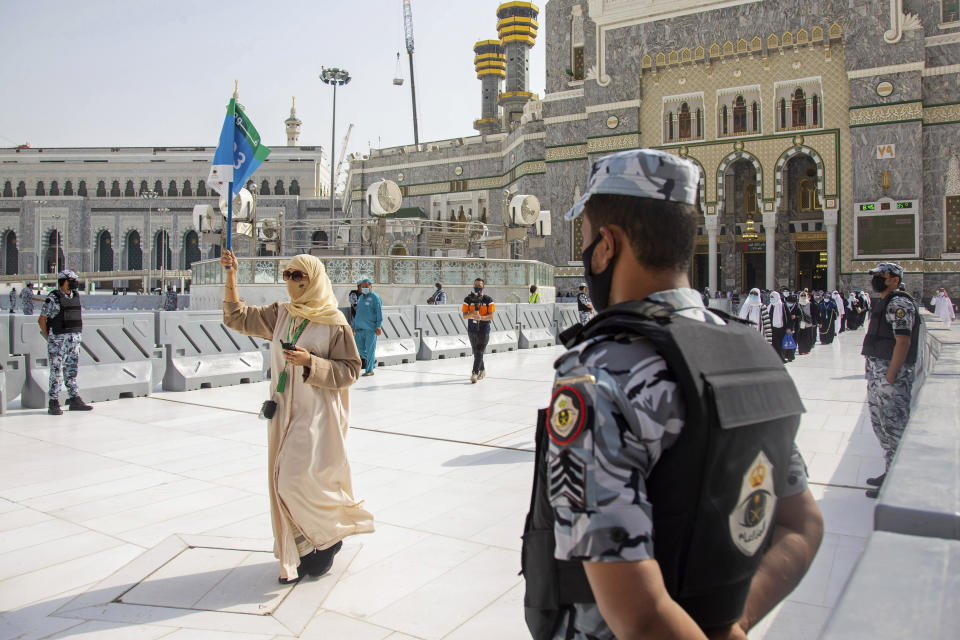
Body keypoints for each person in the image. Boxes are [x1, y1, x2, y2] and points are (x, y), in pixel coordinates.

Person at [522, 148, 822, 640]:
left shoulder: (600, 372)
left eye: (585, 240)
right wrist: (732, 622)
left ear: (606, 246)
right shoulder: (749, 351)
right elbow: (801, 524)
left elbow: (638, 615)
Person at [221, 249, 374, 583]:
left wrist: (310, 363)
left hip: (317, 414)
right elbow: (237, 318)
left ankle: (328, 537)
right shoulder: (281, 314)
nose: (291, 283)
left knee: (293, 480)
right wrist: (232, 277)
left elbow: (350, 371)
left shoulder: (334, 322)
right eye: (287, 275)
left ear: (314, 279)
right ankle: (305, 547)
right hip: (283, 411)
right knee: (283, 481)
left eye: (298, 276)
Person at [861, 262, 921, 499]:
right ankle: (891, 472)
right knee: (882, 427)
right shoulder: (886, 302)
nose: (875, 279)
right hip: (880, 380)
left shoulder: (899, 304)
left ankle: (900, 483)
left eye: (880, 276)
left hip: (891, 380)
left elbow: (903, 341)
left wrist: (891, 374)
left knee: (895, 429)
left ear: (894, 279)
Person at [38, 270, 93, 415]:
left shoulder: (75, 296)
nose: (75, 282)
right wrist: (50, 337)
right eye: (72, 280)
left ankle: (74, 399)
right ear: (64, 281)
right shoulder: (53, 298)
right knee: (56, 372)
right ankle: (54, 402)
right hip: (58, 341)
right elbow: (42, 319)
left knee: (72, 370)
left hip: (74, 342)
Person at [462, 277, 495, 383]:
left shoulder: (488, 300)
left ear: (483, 287)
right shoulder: (467, 299)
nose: (477, 288)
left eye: (479, 286)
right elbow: (465, 316)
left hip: (484, 329)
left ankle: (474, 373)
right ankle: (482, 369)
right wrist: (472, 314)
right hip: (472, 329)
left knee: (480, 350)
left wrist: (481, 318)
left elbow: (491, 316)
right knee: (476, 352)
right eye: (475, 286)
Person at [353, 278, 382, 377]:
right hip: (359, 329)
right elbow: (358, 313)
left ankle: (369, 370)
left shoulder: (375, 298)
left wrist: (378, 326)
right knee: (359, 348)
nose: (364, 288)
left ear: (371, 287)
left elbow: (379, 312)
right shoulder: (360, 298)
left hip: (371, 329)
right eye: (362, 287)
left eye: (366, 286)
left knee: (370, 349)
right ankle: (372, 360)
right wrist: (354, 326)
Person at [795, 290, 819, 355]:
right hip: (801, 323)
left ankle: (807, 349)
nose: (803, 296)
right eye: (801, 295)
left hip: (808, 323)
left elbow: (813, 314)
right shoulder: (798, 304)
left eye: (804, 295)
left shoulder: (809, 304)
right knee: (801, 337)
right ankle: (801, 350)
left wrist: (814, 323)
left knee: (808, 337)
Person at [769, 291, 787, 360]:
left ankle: (781, 358)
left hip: (780, 328)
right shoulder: (770, 306)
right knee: (773, 343)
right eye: (771, 297)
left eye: (773, 297)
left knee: (779, 344)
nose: (771, 299)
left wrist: (789, 328)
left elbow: (787, 317)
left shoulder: (782, 305)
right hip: (771, 328)